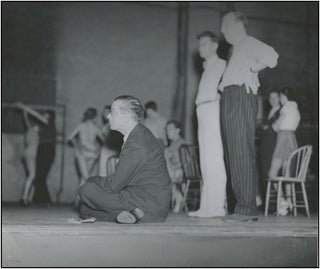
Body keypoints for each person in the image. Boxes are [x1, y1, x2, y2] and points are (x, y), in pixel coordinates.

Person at [218, 11, 279, 222]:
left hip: (240, 96)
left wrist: (254, 68)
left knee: (240, 151)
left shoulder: (249, 42)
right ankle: (241, 207)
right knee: (232, 152)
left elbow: (272, 56)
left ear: (238, 24)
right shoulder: (235, 49)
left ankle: (246, 209)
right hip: (229, 97)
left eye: (225, 25)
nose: (222, 30)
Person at [77, 95, 172, 224]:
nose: (108, 116)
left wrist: (91, 179)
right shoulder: (139, 134)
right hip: (149, 201)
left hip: (149, 205)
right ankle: (125, 216)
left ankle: (134, 214)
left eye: (113, 112)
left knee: (86, 190)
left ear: (127, 116)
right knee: (84, 210)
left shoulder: (136, 144)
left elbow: (112, 186)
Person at [187, 31, 227, 218]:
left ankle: (217, 206)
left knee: (214, 158)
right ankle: (206, 206)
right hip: (202, 111)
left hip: (212, 109)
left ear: (214, 46)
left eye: (204, 44)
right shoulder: (207, 67)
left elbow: (227, 90)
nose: (201, 48)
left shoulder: (221, 65)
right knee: (204, 159)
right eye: (200, 44)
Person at [268, 87, 300, 216]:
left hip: (283, 139)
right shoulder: (296, 109)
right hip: (292, 139)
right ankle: (289, 202)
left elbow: (276, 127)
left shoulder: (285, 108)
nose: (280, 99)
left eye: (280, 97)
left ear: (284, 97)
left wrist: (273, 124)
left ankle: (283, 202)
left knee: (272, 173)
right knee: (287, 176)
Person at [67, 108, 104, 205]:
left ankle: (79, 202)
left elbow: (70, 138)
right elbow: (105, 141)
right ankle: (80, 202)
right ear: (95, 116)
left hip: (83, 154)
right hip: (92, 154)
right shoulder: (96, 128)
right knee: (85, 178)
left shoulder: (81, 125)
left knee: (85, 178)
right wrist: (97, 149)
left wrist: (77, 146)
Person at [14, 102, 48, 205]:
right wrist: (25, 111)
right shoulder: (31, 130)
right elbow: (26, 120)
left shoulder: (36, 133)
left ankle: (28, 198)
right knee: (32, 176)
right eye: (37, 126)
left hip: (30, 155)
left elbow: (26, 120)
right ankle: (24, 198)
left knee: (33, 176)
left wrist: (24, 112)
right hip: (30, 155)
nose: (38, 127)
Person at [256, 90, 281, 201]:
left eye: (275, 97)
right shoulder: (271, 112)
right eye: (270, 98)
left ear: (280, 98)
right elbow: (261, 130)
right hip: (265, 147)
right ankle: (273, 203)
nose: (272, 100)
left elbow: (269, 130)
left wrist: (263, 128)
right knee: (265, 175)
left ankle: (280, 202)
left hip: (273, 147)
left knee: (271, 174)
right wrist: (263, 128)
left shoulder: (280, 112)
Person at [32, 109, 57, 206]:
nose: (44, 115)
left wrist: (24, 108)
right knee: (39, 176)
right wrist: (24, 115)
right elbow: (31, 128)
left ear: (50, 116)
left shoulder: (49, 123)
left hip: (48, 149)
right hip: (41, 149)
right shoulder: (42, 126)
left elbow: (37, 115)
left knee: (41, 176)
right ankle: (40, 200)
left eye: (46, 114)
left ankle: (46, 200)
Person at [164, 120, 186, 213]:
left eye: (170, 129)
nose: (168, 132)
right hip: (175, 170)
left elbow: (166, 155)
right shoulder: (173, 144)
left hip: (183, 171)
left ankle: (178, 199)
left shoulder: (179, 142)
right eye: (167, 130)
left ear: (177, 130)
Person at [99, 105, 123, 177]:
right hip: (107, 151)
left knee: (110, 172)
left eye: (106, 112)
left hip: (112, 151)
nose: (104, 114)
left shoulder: (113, 124)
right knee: (106, 173)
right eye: (103, 112)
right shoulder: (106, 125)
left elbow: (116, 139)